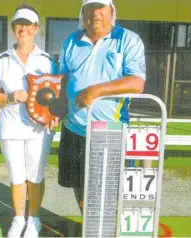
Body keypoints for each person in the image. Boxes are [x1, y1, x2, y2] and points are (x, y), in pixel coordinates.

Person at [54, 0, 147, 212]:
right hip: (73, 128)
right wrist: (56, 110)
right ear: (82, 12)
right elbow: (63, 79)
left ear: (111, 11)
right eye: (89, 9)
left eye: (100, 8)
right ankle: (89, 226)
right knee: (78, 185)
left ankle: (106, 230)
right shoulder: (71, 41)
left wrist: (95, 91)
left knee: (109, 190)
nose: (95, 13)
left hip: (110, 131)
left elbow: (137, 83)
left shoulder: (128, 40)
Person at [0, 4, 57, 238]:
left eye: (28, 25)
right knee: (16, 175)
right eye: (18, 25)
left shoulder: (47, 61)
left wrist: (54, 114)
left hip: (39, 128)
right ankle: (18, 220)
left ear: (37, 28)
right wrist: (9, 96)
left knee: (35, 175)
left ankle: (33, 220)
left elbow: (57, 94)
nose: (23, 29)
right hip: (10, 125)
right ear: (13, 28)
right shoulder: (1, 59)